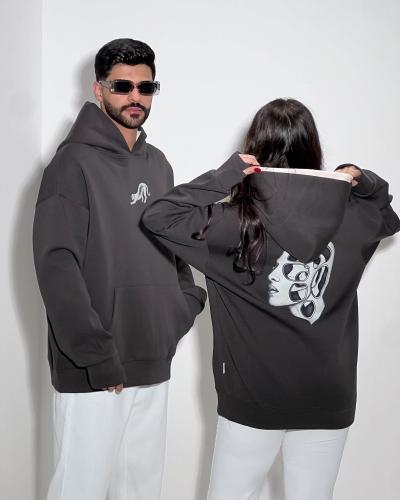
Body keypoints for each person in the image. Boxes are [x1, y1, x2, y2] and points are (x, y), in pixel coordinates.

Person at [142, 98, 400, 500]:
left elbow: (158, 216)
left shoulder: (230, 225)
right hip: (327, 396)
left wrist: (224, 177)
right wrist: (361, 179)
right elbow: (387, 215)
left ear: (254, 150)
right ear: (314, 150)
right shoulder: (353, 218)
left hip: (252, 398)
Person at [33, 38, 206, 500]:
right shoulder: (72, 164)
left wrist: (183, 306)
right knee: (80, 489)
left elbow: (174, 249)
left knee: (142, 490)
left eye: (145, 87)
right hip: (94, 368)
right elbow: (56, 265)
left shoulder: (159, 164)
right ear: (98, 89)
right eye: (122, 86)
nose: (135, 97)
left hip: (152, 358)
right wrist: (95, 354)